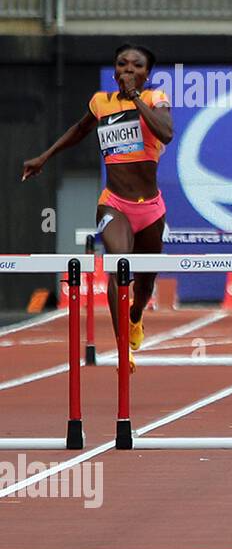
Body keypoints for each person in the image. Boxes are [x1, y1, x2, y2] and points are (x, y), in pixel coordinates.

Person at [22, 44, 173, 373]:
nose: (128, 70)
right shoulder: (100, 103)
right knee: (120, 269)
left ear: (148, 73)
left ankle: (135, 317)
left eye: (136, 66)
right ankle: (122, 350)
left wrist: (135, 99)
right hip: (113, 203)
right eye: (122, 64)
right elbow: (79, 130)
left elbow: (166, 133)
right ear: (115, 69)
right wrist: (44, 158)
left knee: (145, 285)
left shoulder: (154, 100)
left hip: (150, 207)